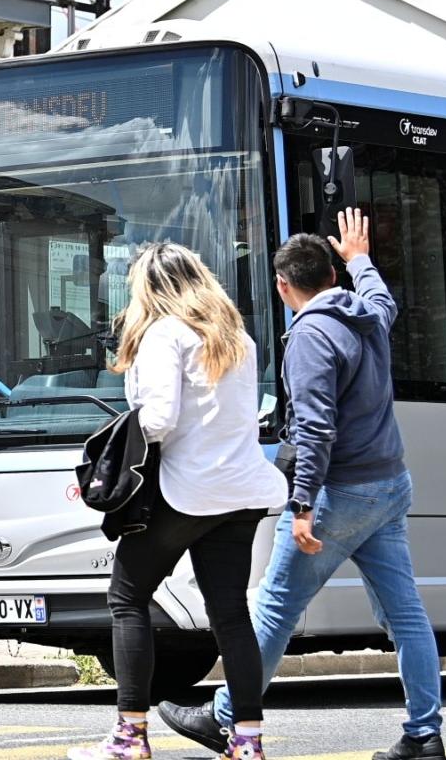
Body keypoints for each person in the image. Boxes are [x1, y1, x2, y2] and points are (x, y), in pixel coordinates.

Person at [160, 209, 446, 760]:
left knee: (275, 608)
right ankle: (424, 735)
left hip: (340, 493)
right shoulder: (367, 315)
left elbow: (315, 429)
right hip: (389, 485)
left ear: (282, 286)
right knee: (406, 615)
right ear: (332, 276)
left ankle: (225, 717)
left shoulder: (310, 336)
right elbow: (382, 298)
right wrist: (360, 258)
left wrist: (302, 503)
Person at [71, 243, 287, 760]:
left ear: (150, 289)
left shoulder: (165, 333)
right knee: (230, 614)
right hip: (243, 490)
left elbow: (159, 418)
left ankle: (130, 737)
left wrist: (120, 438)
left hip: (187, 491)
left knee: (127, 598)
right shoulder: (237, 337)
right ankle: (247, 742)